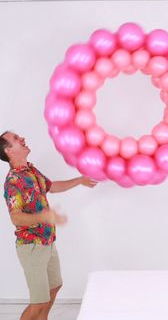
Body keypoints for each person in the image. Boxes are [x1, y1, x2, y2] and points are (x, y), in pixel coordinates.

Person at [0, 131, 97, 320]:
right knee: (38, 302)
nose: (22, 138)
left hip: (47, 241)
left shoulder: (30, 170)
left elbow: (52, 186)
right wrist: (45, 216)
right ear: (9, 150)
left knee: (54, 287)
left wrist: (80, 180)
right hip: (32, 246)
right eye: (16, 139)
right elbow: (16, 218)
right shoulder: (13, 181)